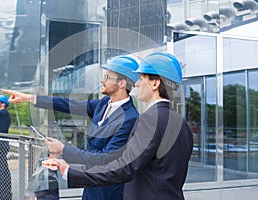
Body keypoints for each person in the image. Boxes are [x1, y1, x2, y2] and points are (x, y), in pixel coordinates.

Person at [42, 52, 194, 200]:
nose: (137, 84)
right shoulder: (183, 124)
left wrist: (69, 171)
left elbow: (125, 167)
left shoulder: (149, 120)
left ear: (155, 83)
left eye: (141, 78)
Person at [1, 55, 140, 200]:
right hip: (90, 184)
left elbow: (105, 159)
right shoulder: (103, 103)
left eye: (107, 77)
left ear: (122, 83)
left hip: (107, 191)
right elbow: (70, 104)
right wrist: (29, 98)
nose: (102, 80)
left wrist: (63, 149)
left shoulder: (130, 118)